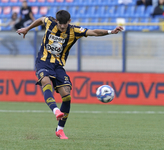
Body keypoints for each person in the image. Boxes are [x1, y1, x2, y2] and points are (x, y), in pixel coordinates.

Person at [16, 10, 123, 139]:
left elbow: (94, 32)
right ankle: (56, 110)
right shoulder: (49, 22)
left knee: (66, 96)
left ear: (69, 21)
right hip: (43, 62)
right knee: (45, 81)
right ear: (56, 21)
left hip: (58, 66)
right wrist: (27, 29)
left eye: (64, 24)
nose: (62, 26)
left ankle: (60, 130)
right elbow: (40, 19)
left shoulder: (74, 31)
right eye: (60, 24)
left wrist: (111, 31)